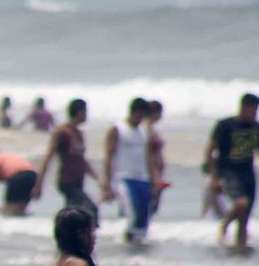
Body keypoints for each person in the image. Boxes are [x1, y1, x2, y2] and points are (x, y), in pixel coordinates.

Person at [205, 93, 259, 251]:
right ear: (243, 108)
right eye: (253, 110)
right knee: (241, 203)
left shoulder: (256, 126)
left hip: (248, 173)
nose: (255, 114)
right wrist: (214, 178)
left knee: (245, 219)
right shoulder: (225, 125)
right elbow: (209, 152)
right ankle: (225, 224)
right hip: (228, 172)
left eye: (257, 111)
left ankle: (240, 252)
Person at [100, 97, 157, 243]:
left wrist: (154, 179)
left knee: (145, 216)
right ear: (133, 112)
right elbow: (108, 157)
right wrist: (106, 184)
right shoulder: (117, 129)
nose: (141, 119)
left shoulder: (144, 132)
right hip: (123, 177)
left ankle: (137, 245)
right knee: (132, 215)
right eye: (140, 115)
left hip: (142, 178)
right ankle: (126, 246)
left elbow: (148, 157)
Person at [35, 98, 95, 217]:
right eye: (85, 111)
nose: (87, 115)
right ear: (79, 112)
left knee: (72, 215)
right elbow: (48, 158)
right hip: (67, 181)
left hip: (79, 181)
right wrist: (39, 184)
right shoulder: (62, 132)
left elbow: (82, 160)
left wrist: (98, 178)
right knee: (90, 209)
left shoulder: (79, 134)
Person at [146, 99, 170, 215]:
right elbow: (149, 154)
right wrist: (156, 176)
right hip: (151, 173)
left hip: (155, 173)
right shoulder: (146, 129)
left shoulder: (151, 129)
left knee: (151, 205)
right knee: (149, 204)